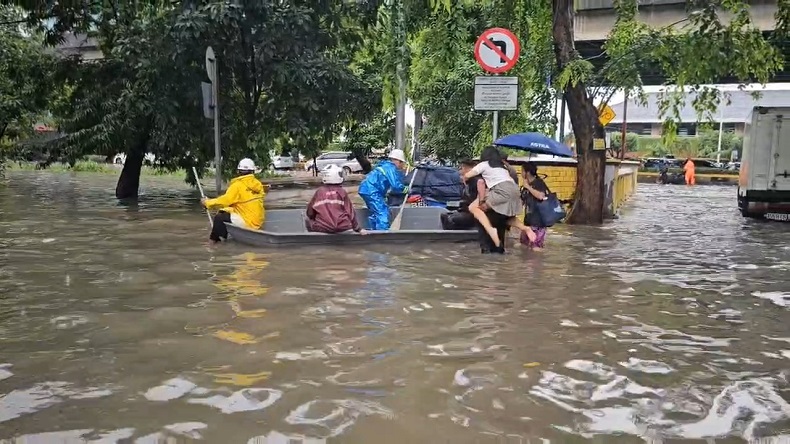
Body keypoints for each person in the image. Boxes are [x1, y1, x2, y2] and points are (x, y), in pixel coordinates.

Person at [463, 146, 535, 247]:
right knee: (506, 217)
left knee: (473, 208)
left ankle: (491, 230)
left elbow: (469, 176)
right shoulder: (502, 167)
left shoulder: (484, 164)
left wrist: (464, 179)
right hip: (514, 190)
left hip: (501, 190)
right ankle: (525, 228)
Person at [202, 158, 265, 244]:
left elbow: (224, 201)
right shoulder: (258, 184)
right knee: (225, 210)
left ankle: (213, 242)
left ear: (238, 171)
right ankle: (223, 236)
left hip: (248, 222)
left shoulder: (237, 186)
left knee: (220, 217)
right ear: (253, 171)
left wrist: (207, 202)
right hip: (258, 222)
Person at [305, 165, 366, 235]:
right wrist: (358, 229)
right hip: (343, 227)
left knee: (307, 219)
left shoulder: (319, 192)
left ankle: (314, 239)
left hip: (323, 228)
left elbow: (310, 213)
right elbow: (350, 212)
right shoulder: (342, 192)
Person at [358, 149, 408, 230]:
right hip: (372, 191)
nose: (401, 165)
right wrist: (405, 189)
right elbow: (395, 185)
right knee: (382, 212)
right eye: (401, 162)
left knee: (376, 212)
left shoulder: (384, 165)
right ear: (397, 160)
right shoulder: (390, 168)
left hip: (366, 189)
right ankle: (382, 234)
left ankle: (374, 231)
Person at [440, 159, 483, 231]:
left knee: (452, 219)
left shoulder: (477, 182)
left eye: (461, 168)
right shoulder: (467, 183)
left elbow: (477, 200)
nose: (459, 172)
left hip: (473, 213)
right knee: (444, 216)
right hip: (465, 210)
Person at [520, 162, 549, 250]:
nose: (521, 173)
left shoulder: (539, 183)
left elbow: (541, 196)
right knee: (523, 245)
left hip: (538, 222)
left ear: (527, 172)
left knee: (536, 247)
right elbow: (521, 202)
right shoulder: (525, 186)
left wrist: (528, 187)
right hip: (528, 221)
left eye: (522, 171)